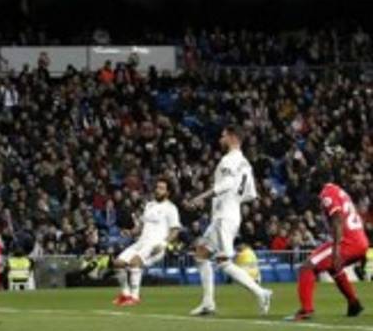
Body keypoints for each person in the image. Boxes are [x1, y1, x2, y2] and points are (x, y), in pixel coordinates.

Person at [186, 124, 273, 317]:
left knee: (224, 262)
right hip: (230, 213)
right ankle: (208, 303)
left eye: (223, 135)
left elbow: (226, 184)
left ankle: (261, 293)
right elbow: (250, 194)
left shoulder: (228, 160)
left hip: (224, 217)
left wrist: (202, 197)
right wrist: (233, 200)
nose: (220, 139)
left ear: (233, 138)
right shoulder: (245, 163)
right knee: (201, 255)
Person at [286, 182, 368, 321]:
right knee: (334, 268)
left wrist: (336, 249)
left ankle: (306, 309)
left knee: (307, 266)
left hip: (347, 242)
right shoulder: (338, 191)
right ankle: (354, 303)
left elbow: (337, 218)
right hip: (360, 241)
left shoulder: (327, 194)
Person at [113, 178, 181, 306]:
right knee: (118, 263)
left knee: (134, 262)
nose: (158, 190)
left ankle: (135, 297)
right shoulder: (149, 205)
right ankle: (125, 295)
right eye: (157, 187)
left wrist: (164, 244)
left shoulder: (171, 208)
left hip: (156, 245)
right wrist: (131, 232)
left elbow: (175, 231)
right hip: (142, 242)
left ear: (168, 192)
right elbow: (141, 227)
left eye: (162, 188)